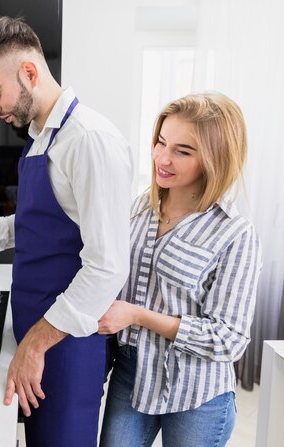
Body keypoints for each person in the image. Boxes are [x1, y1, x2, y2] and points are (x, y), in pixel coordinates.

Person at [0, 16, 132, 447]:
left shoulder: (88, 140)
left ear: (30, 72)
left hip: (66, 344)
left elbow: (108, 267)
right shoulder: (40, 137)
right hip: (37, 331)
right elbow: (34, 226)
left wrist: (35, 344)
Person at [97, 92, 262, 446]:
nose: (162, 158)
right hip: (132, 374)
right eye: (160, 142)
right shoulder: (141, 207)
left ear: (216, 160)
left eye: (182, 151)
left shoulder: (235, 233)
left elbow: (228, 340)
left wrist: (138, 315)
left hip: (198, 393)